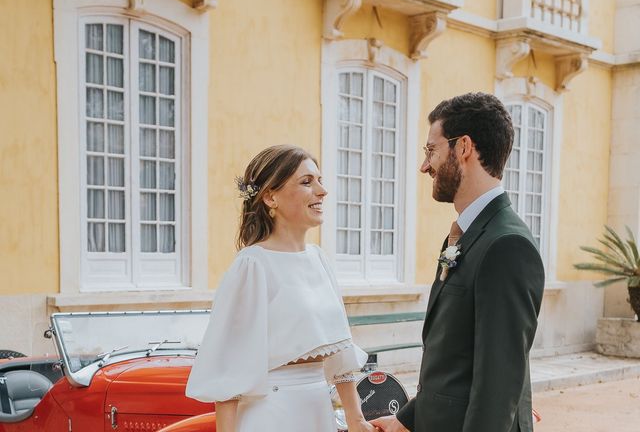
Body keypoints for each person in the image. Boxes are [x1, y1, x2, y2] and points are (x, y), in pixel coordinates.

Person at [371, 92, 545, 432]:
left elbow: (498, 384)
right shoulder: (466, 234)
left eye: (431, 151)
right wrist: (406, 421)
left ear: (463, 147)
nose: (424, 166)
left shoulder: (507, 245)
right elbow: (456, 362)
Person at [186, 145, 375, 432]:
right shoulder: (252, 265)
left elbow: (340, 353)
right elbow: (229, 368)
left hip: (317, 412)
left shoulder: (319, 259)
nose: (322, 191)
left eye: (320, 180)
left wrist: (355, 417)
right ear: (270, 197)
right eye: (306, 181)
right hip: (270, 414)